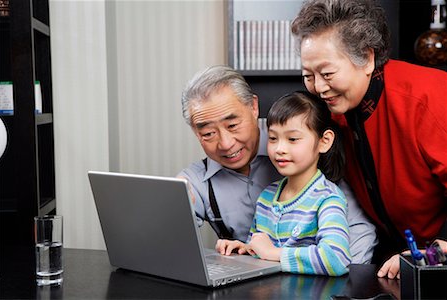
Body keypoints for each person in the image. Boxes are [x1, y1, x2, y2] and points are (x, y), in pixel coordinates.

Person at [291, 0, 447, 279]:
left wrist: (434, 254)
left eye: (327, 74)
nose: (318, 87)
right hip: (390, 256)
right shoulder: (330, 109)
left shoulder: (429, 96)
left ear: (367, 57)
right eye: (308, 76)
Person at [177, 65, 378, 264]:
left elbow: (354, 236)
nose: (226, 144)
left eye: (232, 125)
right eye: (208, 134)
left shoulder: (307, 155)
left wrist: (343, 287)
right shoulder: (266, 196)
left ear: (253, 107)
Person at [216, 91, 351, 276]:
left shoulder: (328, 198)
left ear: (324, 141)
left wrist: (273, 253)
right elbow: (259, 250)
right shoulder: (267, 196)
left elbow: (336, 259)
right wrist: (243, 249)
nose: (279, 149)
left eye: (292, 139)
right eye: (273, 138)